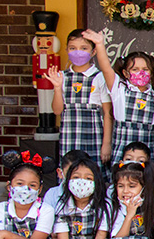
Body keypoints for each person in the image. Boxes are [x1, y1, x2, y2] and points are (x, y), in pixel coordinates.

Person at [90, 29, 154, 169]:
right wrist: (100, 44)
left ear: (151, 72)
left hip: (147, 151)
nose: (140, 73)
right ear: (125, 73)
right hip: (123, 150)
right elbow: (106, 69)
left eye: (145, 69)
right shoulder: (119, 90)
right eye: (135, 69)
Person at [46, 29, 112, 166]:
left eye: (84, 48)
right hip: (69, 136)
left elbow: (108, 113)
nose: (78, 52)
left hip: (93, 136)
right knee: (70, 170)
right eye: (72, 48)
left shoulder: (99, 77)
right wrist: (57, 87)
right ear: (67, 50)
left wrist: (106, 143)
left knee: (92, 170)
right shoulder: (62, 76)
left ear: (93, 52)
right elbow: (57, 111)